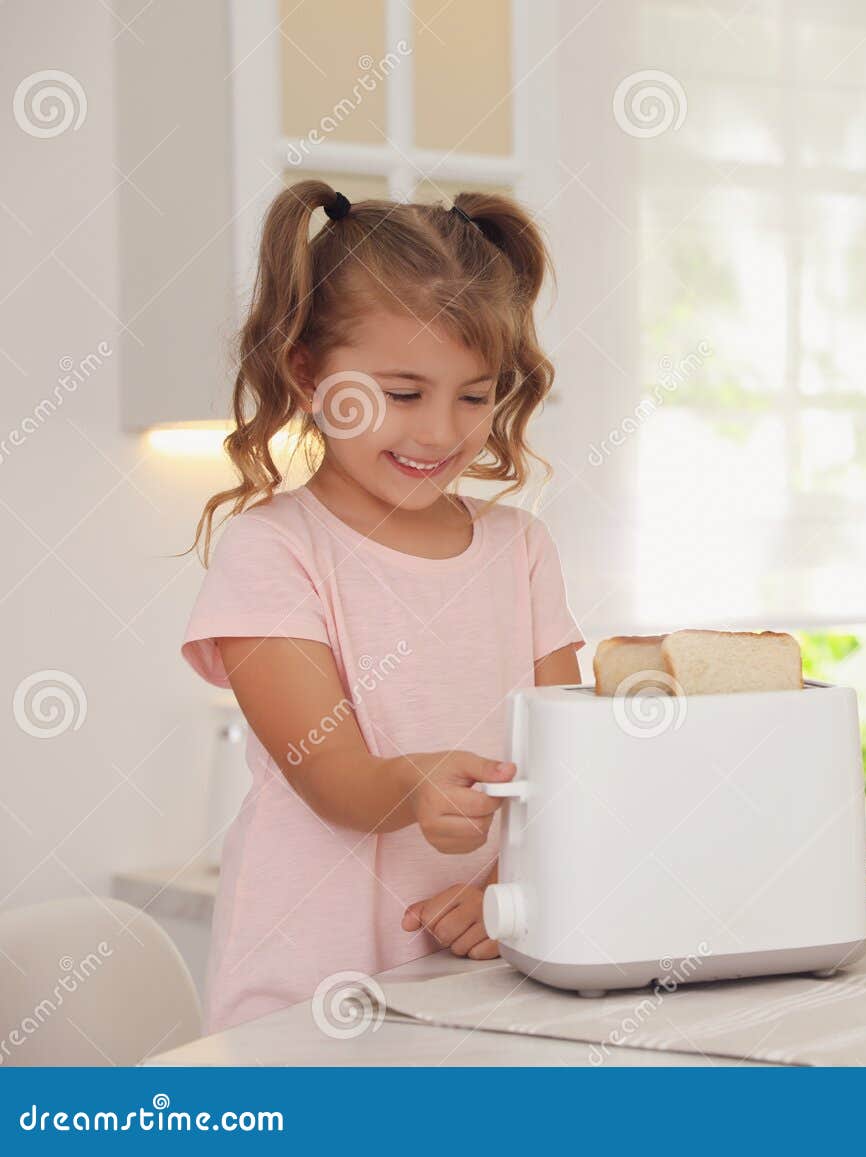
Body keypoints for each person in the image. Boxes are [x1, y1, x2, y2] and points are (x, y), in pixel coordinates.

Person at [181, 182, 583, 1031]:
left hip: (486, 975)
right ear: (308, 372)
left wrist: (509, 887)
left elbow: (568, 764)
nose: (441, 432)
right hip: (309, 990)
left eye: (474, 396)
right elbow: (332, 775)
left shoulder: (522, 548)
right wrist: (412, 783)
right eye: (403, 394)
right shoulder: (275, 551)